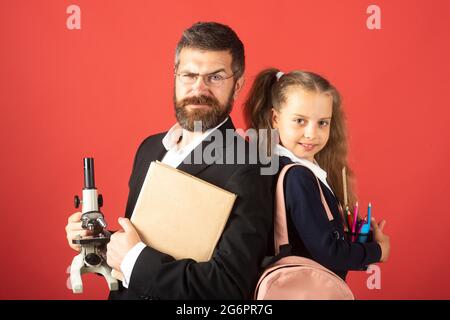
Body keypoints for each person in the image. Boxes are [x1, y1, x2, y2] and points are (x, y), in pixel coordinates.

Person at [65, 22, 274, 299]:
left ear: (237, 86)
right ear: (175, 76)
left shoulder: (252, 165)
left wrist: (134, 259)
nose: (199, 88)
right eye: (189, 75)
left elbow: (227, 287)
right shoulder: (150, 148)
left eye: (215, 77)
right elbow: (144, 243)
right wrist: (97, 241)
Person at [243, 69, 390, 280]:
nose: (312, 133)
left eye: (322, 122)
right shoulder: (298, 177)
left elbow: (311, 240)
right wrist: (378, 251)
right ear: (275, 119)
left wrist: (357, 241)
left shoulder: (281, 166)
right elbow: (329, 254)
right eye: (300, 121)